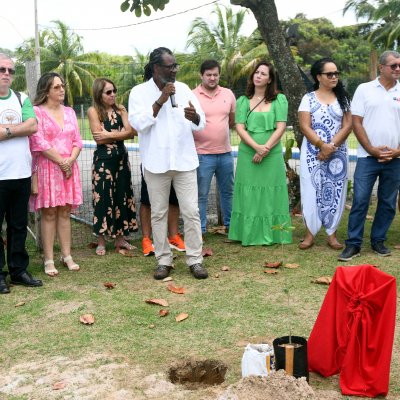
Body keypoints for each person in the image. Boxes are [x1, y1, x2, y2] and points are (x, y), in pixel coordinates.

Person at [128, 47, 207, 280]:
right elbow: (138, 124)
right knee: (158, 214)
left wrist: (195, 118)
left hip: (184, 162)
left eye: (175, 66)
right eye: (169, 66)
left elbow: (200, 122)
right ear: (156, 68)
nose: (174, 70)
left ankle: (195, 259)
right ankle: (163, 260)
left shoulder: (183, 90)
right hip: (156, 163)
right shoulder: (139, 92)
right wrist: (161, 100)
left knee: (191, 212)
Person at [338, 50, 400, 261]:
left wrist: (397, 151)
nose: (398, 69)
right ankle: (353, 244)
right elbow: (356, 122)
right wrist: (372, 149)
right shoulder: (364, 89)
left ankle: (378, 241)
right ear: (381, 67)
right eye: (393, 65)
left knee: (388, 202)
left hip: (396, 159)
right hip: (367, 157)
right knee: (361, 200)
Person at [228, 60, 292, 246]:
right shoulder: (242, 101)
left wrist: (265, 149)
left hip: (271, 153)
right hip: (249, 152)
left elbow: (280, 128)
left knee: (272, 192)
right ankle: (246, 233)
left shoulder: (279, 100)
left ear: (270, 79)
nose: (258, 76)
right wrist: (256, 147)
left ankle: (274, 234)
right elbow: (239, 127)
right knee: (248, 192)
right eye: (257, 72)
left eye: (263, 74)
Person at [29, 72, 83, 276]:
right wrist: (62, 161)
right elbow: (38, 141)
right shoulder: (37, 112)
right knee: (49, 213)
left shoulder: (69, 112)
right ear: (46, 90)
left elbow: (77, 140)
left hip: (68, 168)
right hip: (49, 168)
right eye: (57, 87)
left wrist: (70, 160)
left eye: (62, 86)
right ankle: (49, 258)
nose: (62, 90)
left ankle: (67, 255)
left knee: (65, 212)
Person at [298, 58, 352, 250]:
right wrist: (321, 145)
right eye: (330, 74)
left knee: (336, 190)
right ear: (318, 77)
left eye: (336, 73)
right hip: (313, 153)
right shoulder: (308, 98)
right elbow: (305, 126)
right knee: (311, 189)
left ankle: (332, 234)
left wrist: (331, 147)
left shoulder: (344, 98)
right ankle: (310, 234)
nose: (334, 77)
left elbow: (348, 125)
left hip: (337, 154)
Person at [0, 53, 42, 294]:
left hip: (20, 174)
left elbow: (33, 126)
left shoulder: (21, 98)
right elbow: (25, 127)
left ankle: (18, 271)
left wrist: (5, 130)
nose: (7, 74)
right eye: (2, 69)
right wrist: (18, 129)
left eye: (11, 70)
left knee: (18, 225)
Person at [87, 78, 138, 256]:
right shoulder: (93, 111)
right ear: (99, 94)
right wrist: (120, 135)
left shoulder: (121, 109)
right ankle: (101, 240)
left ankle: (121, 239)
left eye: (114, 90)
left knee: (122, 197)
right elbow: (98, 138)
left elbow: (132, 132)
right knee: (103, 200)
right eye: (108, 92)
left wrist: (109, 134)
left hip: (121, 160)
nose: (113, 94)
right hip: (103, 162)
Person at [192, 59, 236, 234]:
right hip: (201, 154)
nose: (212, 78)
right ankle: (200, 230)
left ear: (219, 75)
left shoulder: (228, 94)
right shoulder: (192, 95)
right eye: (208, 75)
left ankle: (231, 226)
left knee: (228, 192)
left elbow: (231, 120)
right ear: (201, 75)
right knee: (201, 195)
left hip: (225, 153)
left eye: (215, 75)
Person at [139, 170, 185, 256]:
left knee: (174, 198)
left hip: (175, 164)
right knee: (147, 200)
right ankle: (146, 240)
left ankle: (173, 237)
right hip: (153, 166)